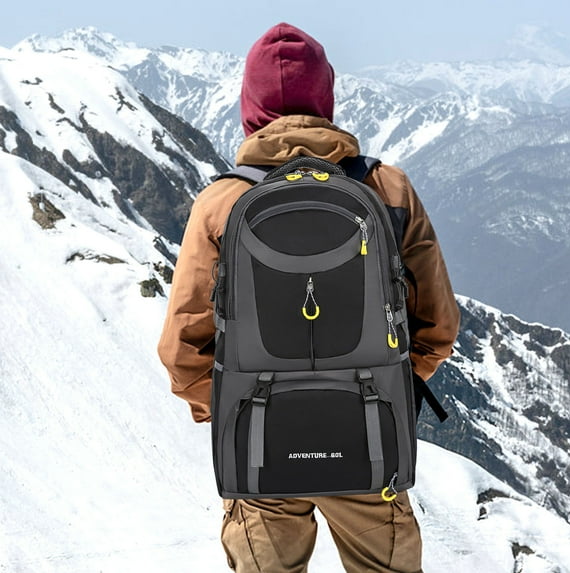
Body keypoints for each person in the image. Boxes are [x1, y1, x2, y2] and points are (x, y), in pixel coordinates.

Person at [158, 22, 460, 573]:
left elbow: (182, 351)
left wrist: (234, 412)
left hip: (260, 451)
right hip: (368, 441)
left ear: (249, 108)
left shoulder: (222, 203)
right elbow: (437, 327)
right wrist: (384, 391)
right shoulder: (387, 189)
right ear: (326, 99)